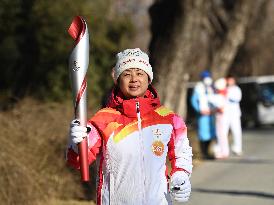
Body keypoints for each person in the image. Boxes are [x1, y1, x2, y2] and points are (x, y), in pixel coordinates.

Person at [66, 48, 193, 205]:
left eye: (140, 73)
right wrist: (76, 143)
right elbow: (79, 161)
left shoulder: (168, 118)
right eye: (127, 74)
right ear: (118, 80)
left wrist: (180, 175)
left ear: (149, 78)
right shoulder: (103, 119)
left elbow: (182, 153)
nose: (134, 79)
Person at [190, 70, 216, 159]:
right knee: (203, 134)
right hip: (202, 115)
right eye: (206, 78)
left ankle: (208, 152)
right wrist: (199, 110)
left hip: (211, 114)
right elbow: (193, 101)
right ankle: (204, 153)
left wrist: (214, 109)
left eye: (208, 77)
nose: (207, 79)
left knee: (211, 133)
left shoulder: (211, 88)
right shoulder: (198, 88)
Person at [211, 78, 230, 159]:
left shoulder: (221, 96)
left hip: (222, 117)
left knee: (221, 134)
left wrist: (214, 109)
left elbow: (221, 109)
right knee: (222, 134)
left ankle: (223, 152)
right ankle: (223, 151)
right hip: (222, 116)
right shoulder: (223, 95)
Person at [225, 75, 243, 155]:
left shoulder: (237, 89)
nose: (230, 82)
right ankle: (224, 149)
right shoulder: (224, 89)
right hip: (225, 114)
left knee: (236, 131)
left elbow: (237, 98)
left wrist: (227, 95)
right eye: (229, 80)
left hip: (235, 114)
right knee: (224, 132)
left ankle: (237, 148)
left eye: (231, 80)